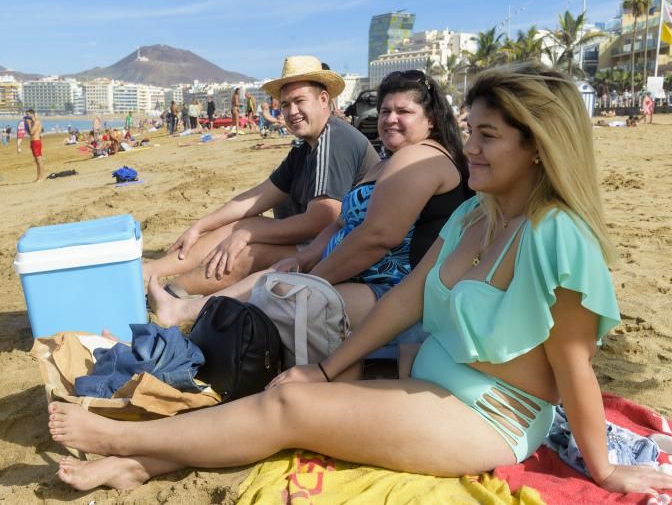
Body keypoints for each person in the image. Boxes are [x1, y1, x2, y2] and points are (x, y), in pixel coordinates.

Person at [48, 62, 672, 496]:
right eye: (471, 131)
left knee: (290, 405)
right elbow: (406, 297)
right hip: (431, 386)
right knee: (300, 394)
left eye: (487, 136)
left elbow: (575, 368)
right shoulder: (476, 216)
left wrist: (606, 468)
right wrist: (326, 367)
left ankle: (118, 442)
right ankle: (138, 465)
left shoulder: (557, 238)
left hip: (489, 416)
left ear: (538, 146)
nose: (471, 149)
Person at [150, 69, 470, 331]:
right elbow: (335, 221)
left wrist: (312, 277)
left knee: (267, 271)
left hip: (386, 284)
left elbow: (367, 235)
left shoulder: (411, 157)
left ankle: (177, 299)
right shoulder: (384, 160)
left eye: (404, 112)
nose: (389, 119)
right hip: (341, 263)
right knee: (258, 248)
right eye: (385, 111)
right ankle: (178, 303)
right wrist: (202, 227)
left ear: (431, 120)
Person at [142, 55, 380, 296]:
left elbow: (323, 217)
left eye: (299, 101)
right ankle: (150, 271)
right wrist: (199, 227)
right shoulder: (306, 146)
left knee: (249, 251)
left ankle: (171, 295)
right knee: (239, 226)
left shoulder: (335, 139)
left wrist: (248, 235)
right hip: (321, 243)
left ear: (323, 99)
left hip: (347, 255)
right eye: (285, 104)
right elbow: (258, 197)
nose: (292, 112)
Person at [25, 109, 44, 182]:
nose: (27, 116)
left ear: (32, 114)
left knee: (39, 160)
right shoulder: (33, 122)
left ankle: (41, 177)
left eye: (28, 114)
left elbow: (32, 132)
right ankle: (38, 177)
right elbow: (30, 133)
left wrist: (29, 124)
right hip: (33, 141)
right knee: (36, 161)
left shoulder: (36, 122)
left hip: (36, 142)